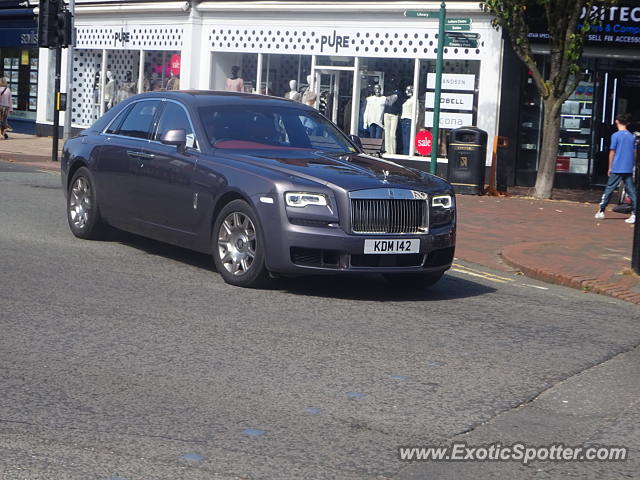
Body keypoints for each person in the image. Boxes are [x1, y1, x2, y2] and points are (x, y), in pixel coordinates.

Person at [595, 112, 637, 224]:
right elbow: (634, 153)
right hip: (628, 167)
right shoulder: (631, 136)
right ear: (627, 123)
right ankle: (635, 213)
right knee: (631, 190)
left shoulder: (615, 136)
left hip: (617, 166)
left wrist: (610, 166)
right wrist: (632, 164)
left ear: (616, 121)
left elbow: (612, 152)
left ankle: (601, 210)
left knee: (609, 188)